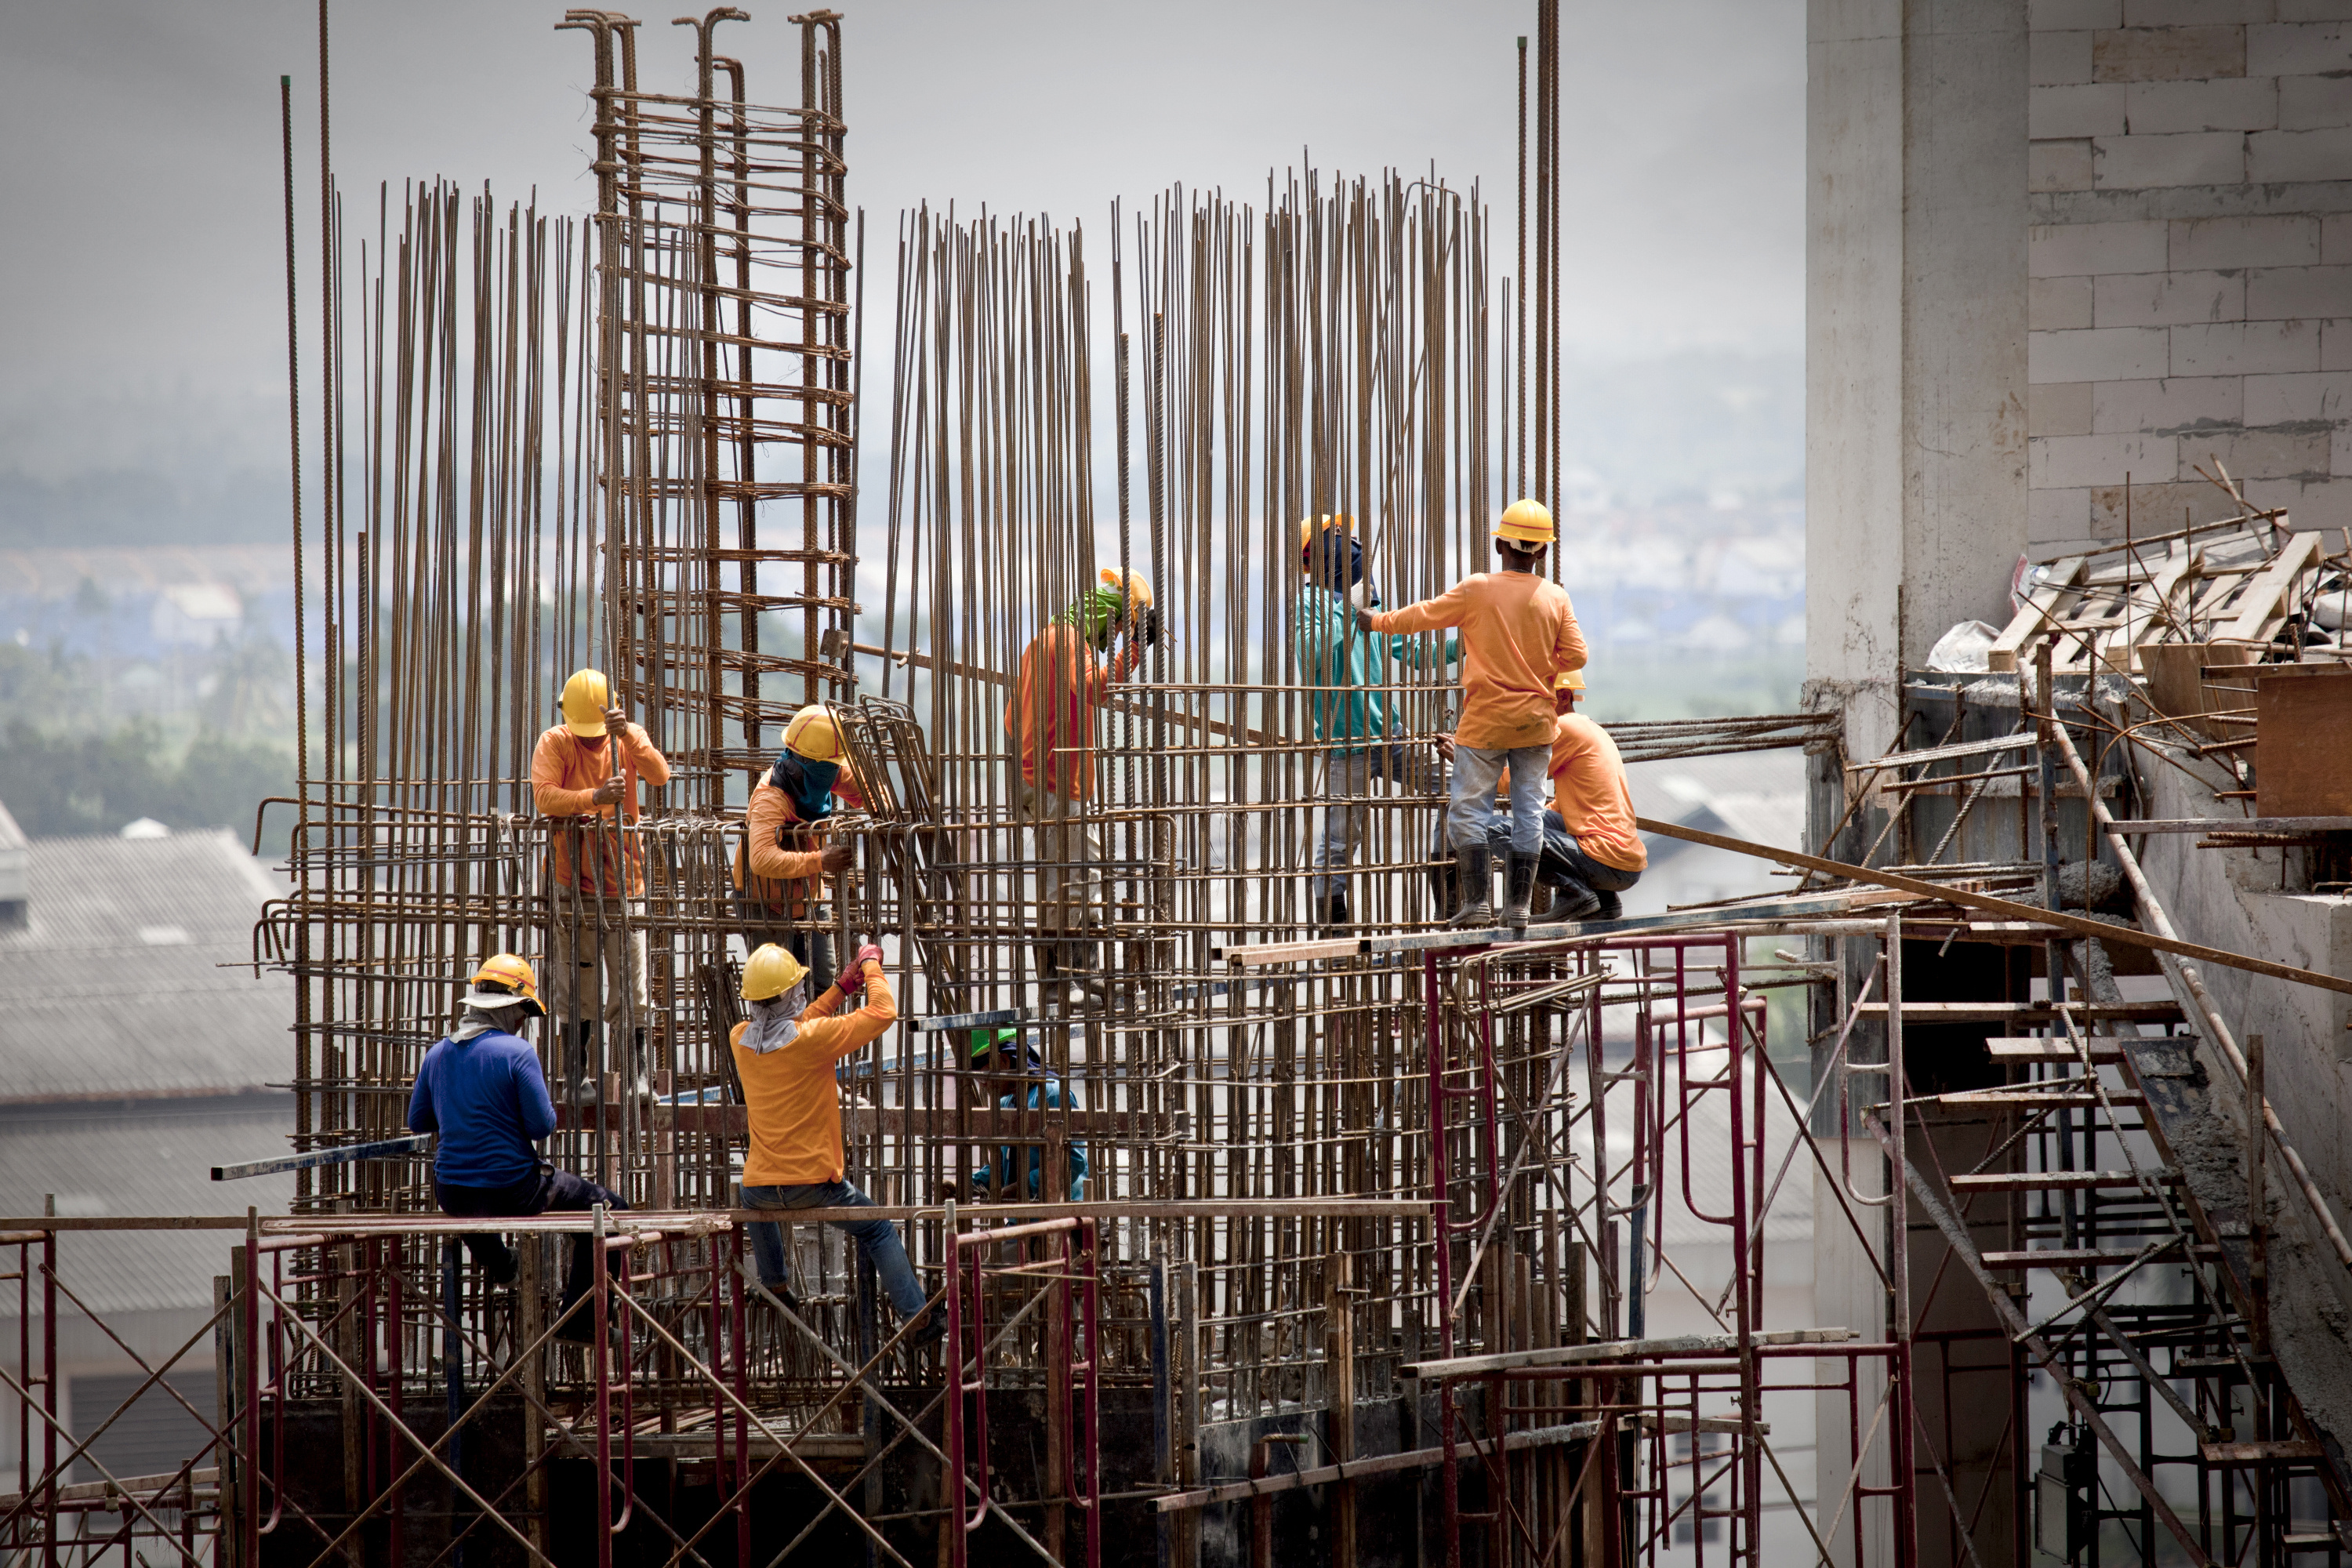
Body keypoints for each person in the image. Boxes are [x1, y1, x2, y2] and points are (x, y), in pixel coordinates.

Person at [1359, 499, 1586, 933]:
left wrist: (1377, 622)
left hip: (1485, 723)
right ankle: (1518, 907)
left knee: (1468, 811)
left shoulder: (1478, 589)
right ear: (1541, 552)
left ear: (1501, 544)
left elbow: (1424, 615)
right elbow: (1577, 654)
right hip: (1537, 723)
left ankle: (1477, 903)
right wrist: (1540, 669)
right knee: (1529, 812)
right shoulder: (1556, 597)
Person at [406, 954, 630, 1343]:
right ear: (509, 1008)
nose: (524, 1021)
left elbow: (419, 1121)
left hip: (452, 1194)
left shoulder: (437, 1054)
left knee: (470, 1204)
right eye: (523, 1011)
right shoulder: (516, 1053)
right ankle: (581, 1321)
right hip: (514, 1188)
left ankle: (503, 1265)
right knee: (610, 1212)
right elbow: (542, 1126)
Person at [730, 941, 941, 1342]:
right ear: (791, 994)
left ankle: (775, 1282)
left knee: (749, 1195)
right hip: (814, 1186)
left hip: (760, 1188)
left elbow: (791, 1027)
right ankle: (919, 1318)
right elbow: (883, 1012)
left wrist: (841, 990)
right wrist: (871, 966)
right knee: (877, 1227)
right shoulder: (812, 1042)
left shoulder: (740, 1040)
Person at [1004, 567, 1160, 1002]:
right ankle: (1072, 975)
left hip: (1040, 773)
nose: (1110, 641)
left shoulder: (1047, 637)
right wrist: (1135, 649)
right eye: (1116, 630)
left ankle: (1060, 978)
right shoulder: (1070, 641)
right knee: (1080, 874)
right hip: (1056, 777)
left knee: (1061, 874)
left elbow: (1015, 717)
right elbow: (1095, 690)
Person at [1294, 516, 1457, 931]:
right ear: (1314, 557)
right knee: (1339, 844)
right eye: (1337, 539)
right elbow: (1312, 654)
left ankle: (1448, 886)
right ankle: (1334, 928)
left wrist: (1465, 643)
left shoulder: (1368, 602)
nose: (1350, 545)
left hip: (1392, 736)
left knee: (1458, 790)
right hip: (1346, 745)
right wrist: (1351, 610)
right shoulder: (1308, 605)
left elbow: (1412, 650)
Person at [532, 668, 670, 1102]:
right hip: (572, 880)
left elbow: (660, 774)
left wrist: (627, 733)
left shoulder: (626, 739)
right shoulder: (555, 742)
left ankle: (639, 1076)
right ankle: (577, 1078)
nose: (593, 740)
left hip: (624, 881)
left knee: (631, 981)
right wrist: (594, 799)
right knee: (578, 982)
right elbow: (544, 795)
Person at [1472, 670, 1646, 920]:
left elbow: (1518, 780)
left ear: (1563, 696)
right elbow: (1563, 809)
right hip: (1619, 859)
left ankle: (1575, 893)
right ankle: (1604, 901)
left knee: (1492, 829)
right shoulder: (1589, 728)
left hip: (1609, 860)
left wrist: (1467, 764)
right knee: (1533, 823)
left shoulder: (1565, 728)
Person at [735, 703, 863, 982]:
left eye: (835, 766)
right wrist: (820, 860)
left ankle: (817, 1026)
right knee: (776, 987)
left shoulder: (824, 770)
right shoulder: (772, 797)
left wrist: (887, 808)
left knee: (823, 980)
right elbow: (760, 859)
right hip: (764, 901)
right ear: (807, 761)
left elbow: (870, 793)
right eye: (829, 766)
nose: (834, 773)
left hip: (808, 896)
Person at [963, 1029, 1089, 1202]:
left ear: (1003, 1062)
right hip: (1022, 1218)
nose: (983, 1086)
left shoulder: (1050, 1094)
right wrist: (965, 1184)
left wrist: (1023, 1188)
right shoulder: (1006, 1104)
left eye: (983, 1077)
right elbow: (1002, 1170)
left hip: (1059, 1216)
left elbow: (1073, 1162)